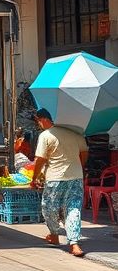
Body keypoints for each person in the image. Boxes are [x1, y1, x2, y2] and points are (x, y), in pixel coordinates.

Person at [31, 108, 89, 257]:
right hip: (75, 178)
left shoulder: (46, 135)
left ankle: (54, 234)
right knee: (73, 209)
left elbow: (40, 160)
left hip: (55, 179)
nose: (39, 125)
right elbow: (84, 153)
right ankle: (74, 244)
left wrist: (34, 178)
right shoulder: (76, 134)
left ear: (43, 119)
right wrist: (79, 167)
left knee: (49, 208)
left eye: (38, 121)